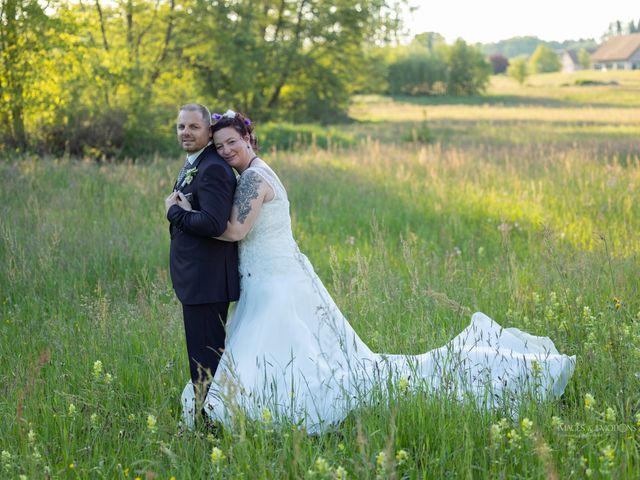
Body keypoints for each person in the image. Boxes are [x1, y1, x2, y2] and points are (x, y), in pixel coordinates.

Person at [178, 110, 576, 434]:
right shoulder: (259, 171)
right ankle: (233, 408)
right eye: (220, 145)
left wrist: (180, 211)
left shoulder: (253, 179)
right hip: (275, 275)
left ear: (250, 140)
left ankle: (245, 411)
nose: (226, 150)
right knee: (297, 355)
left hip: (273, 285)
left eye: (233, 142)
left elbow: (234, 230)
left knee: (281, 355)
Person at [165, 104, 240, 421]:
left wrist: (174, 212)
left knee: (204, 358)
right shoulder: (194, 163)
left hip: (207, 282)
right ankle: (206, 414)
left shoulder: (213, 169)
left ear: (209, 131)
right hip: (197, 278)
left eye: (194, 127)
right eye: (181, 126)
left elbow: (213, 224)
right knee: (201, 355)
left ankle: (207, 420)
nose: (186, 132)